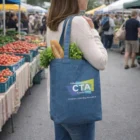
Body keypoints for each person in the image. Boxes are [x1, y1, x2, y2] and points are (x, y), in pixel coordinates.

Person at [47, 0, 108, 140]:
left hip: (59, 104)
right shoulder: (78, 22)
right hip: (77, 103)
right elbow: (101, 61)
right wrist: (93, 31)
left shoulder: (53, 23)